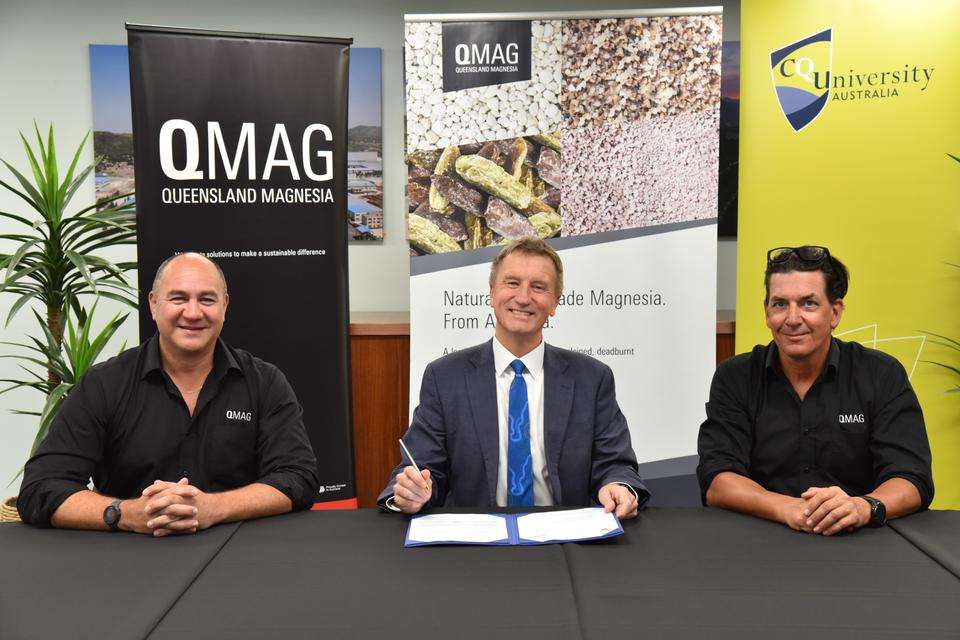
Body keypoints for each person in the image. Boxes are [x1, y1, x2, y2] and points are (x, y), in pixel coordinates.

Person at [18, 253, 319, 535]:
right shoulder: (104, 384)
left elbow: (298, 478)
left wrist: (215, 508)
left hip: (238, 556)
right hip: (125, 557)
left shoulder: (264, 383)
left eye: (207, 299)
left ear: (225, 306)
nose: (192, 312)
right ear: (153, 304)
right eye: (178, 298)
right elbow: (41, 488)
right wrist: (125, 513)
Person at [379, 238, 648, 519]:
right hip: (477, 542)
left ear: (555, 301)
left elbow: (615, 463)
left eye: (539, 287)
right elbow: (422, 468)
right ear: (492, 293)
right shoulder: (444, 377)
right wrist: (414, 492)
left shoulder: (592, 379)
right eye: (512, 283)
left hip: (563, 539)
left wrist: (617, 485)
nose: (523, 297)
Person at [697, 246, 933, 535]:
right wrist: (787, 508)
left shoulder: (881, 375)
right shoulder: (735, 376)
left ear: (835, 312)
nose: (792, 318)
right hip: (761, 538)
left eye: (808, 304)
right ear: (766, 312)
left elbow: (912, 477)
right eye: (780, 304)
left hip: (860, 540)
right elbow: (717, 479)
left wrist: (862, 507)